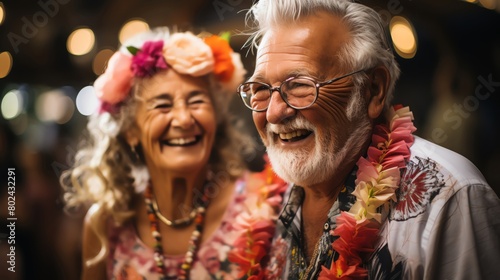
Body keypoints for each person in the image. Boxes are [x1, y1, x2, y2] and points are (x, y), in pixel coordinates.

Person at [237, 0, 500, 279]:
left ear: (373, 90)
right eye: (260, 89)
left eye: (300, 85)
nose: (275, 113)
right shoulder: (261, 207)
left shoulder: (450, 199)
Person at [60, 27, 287, 279]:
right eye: (163, 105)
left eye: (196, 101)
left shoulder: (264, 205)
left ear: (216, 118)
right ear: (130, 131)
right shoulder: (105, 225)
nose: (183, 119)